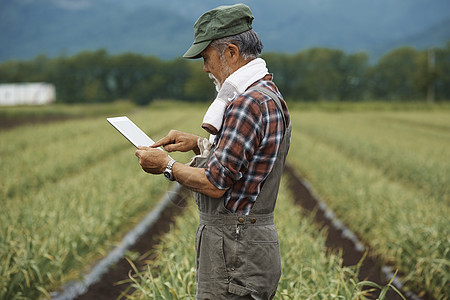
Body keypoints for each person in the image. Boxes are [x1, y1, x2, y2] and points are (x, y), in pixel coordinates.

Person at [135, 4, 291, 299]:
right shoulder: (266, 93)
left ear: (231, 52)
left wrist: (166, 165)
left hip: (235, 248)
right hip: (247, 245)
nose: (205, 68)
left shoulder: (247, 103)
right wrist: (197, 143)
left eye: (206, 58)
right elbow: (245, 157)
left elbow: (216, 183)